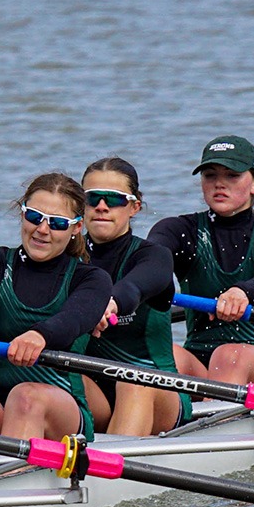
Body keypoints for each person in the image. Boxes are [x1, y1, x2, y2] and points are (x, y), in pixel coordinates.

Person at [0, 173, 113, 441]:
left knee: (25, 396)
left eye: (57, 223)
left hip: (63, 412)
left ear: (77, 227)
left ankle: (7, 480)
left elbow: (74, 319)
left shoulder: (91, 279)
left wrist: (40, 335)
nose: (42, 230)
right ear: (22, 213)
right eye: (34, 217)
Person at [147, 135, 254, 386]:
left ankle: (211, 421)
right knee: (160, 353)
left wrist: (242, 292)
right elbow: (151, 261)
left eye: (232, 175)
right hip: (199, 360)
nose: (219, 183)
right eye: (210, 175)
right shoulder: (178, 230)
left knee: (229, 355)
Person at [80, 157, 186, 435]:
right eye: (93, 198)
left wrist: (109, 303)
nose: (101, 207)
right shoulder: (65, 258)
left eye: (114, 199)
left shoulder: (154, 256)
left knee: (134, 382)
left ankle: (109, 472)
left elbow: (133, 288)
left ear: (134, 207)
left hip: (156, 389)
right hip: (95, 391)